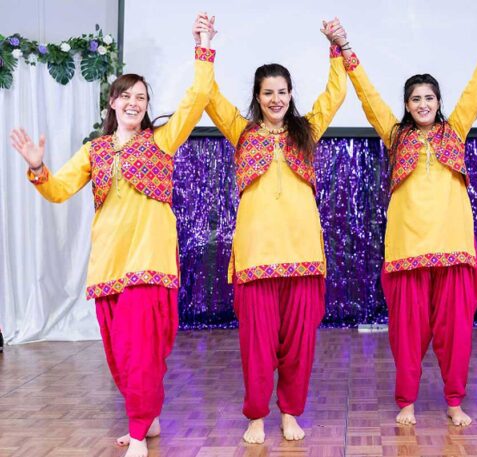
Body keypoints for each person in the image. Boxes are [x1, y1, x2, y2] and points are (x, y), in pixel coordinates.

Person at [9, 15, 217, 457]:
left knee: (142, 353)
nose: (134, 102)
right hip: (108, 267)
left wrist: (202, 44)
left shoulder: (162, 140)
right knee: (121, 358)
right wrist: (34, 166)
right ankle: (147, 415)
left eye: (141, 97)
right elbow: (59, 189)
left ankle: (139, 433)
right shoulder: (96, 150)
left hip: (150, 263)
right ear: (112, 102)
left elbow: (198, 96)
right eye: (126, 95)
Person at [338, 9, 477, 426]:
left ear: (439, 102)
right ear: (406, 105)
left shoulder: (456, 130)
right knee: (407, 333)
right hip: (407, 252)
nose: (422, 104)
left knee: (455, 335)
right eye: (415, 99)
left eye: (429, 98)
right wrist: (344, 48)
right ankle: (408, 402)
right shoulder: (396, 135)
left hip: (454, 250)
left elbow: (475, 87)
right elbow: (367, 95)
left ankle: (455, 402)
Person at [199, 18, 347, 444]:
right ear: (257, 97)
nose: (276, 99)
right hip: (256, 257)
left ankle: (290, 412)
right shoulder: (242, 133)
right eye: (268, 92)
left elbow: (335, 94)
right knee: (257, 347)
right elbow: (207, 96)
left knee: (298, 346)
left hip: (303, 256)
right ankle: (257, 416)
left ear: (290, 95)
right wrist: (206, 46)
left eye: (282, 91)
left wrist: (336, 47)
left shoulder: (307, 130)